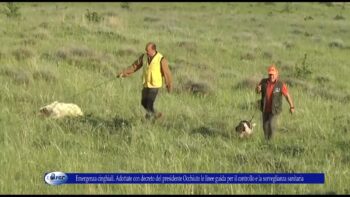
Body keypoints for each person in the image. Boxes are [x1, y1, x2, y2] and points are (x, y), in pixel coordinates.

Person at [117, 42, 173, 120]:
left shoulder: (161, 59)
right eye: (146, 50)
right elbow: (135, 66)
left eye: (148, 50)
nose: (146, 52)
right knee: (143, 103)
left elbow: (167, 73)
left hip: (155, 85)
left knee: (149, 103)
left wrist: (169, 85)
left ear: (153, 50)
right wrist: (123, 73)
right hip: (146, 84)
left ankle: (149, 119)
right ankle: (156, 114)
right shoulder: (144, 57)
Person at [256, 64, 295, 140]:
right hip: (265, 109)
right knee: (265, 126)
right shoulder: (263, 82)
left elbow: (287, 95)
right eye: (270, 74)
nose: (271, 76)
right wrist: (257, 89)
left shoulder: (280, 84)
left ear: (276, 74)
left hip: (275, 109)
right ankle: (266, 141)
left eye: (273, 74)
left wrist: (292, 107)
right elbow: (257, 91)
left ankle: (271, 142)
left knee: (271, 125)